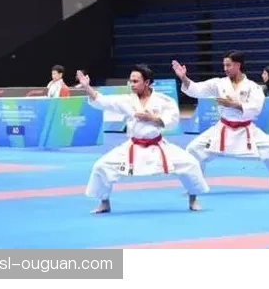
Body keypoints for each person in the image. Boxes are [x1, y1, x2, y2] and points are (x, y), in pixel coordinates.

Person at [78, 65, 209, 213]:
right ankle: (104, 202)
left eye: (135, 81)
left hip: (158, 145)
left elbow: (172, 120)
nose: (131, 84)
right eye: (131, 81)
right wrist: (87, 87)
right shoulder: (127, 100)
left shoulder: (163, 100)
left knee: (190, 164)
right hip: (133, 146)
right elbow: (102, 101)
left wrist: (152, 118)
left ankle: (193, 199)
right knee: (101, 166)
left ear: (146, 82)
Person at [172, 51, 269, 192]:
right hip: (223, 128)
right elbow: (197, 89)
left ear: (238, 65)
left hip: (246, 129)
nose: (225, 69)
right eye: (224, 65)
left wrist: (234, 104)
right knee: (193, 149)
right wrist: (184, 78)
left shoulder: (253, 87)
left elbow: (256, 108)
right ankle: (196, 184)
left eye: (228, 65)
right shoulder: (219, 83)